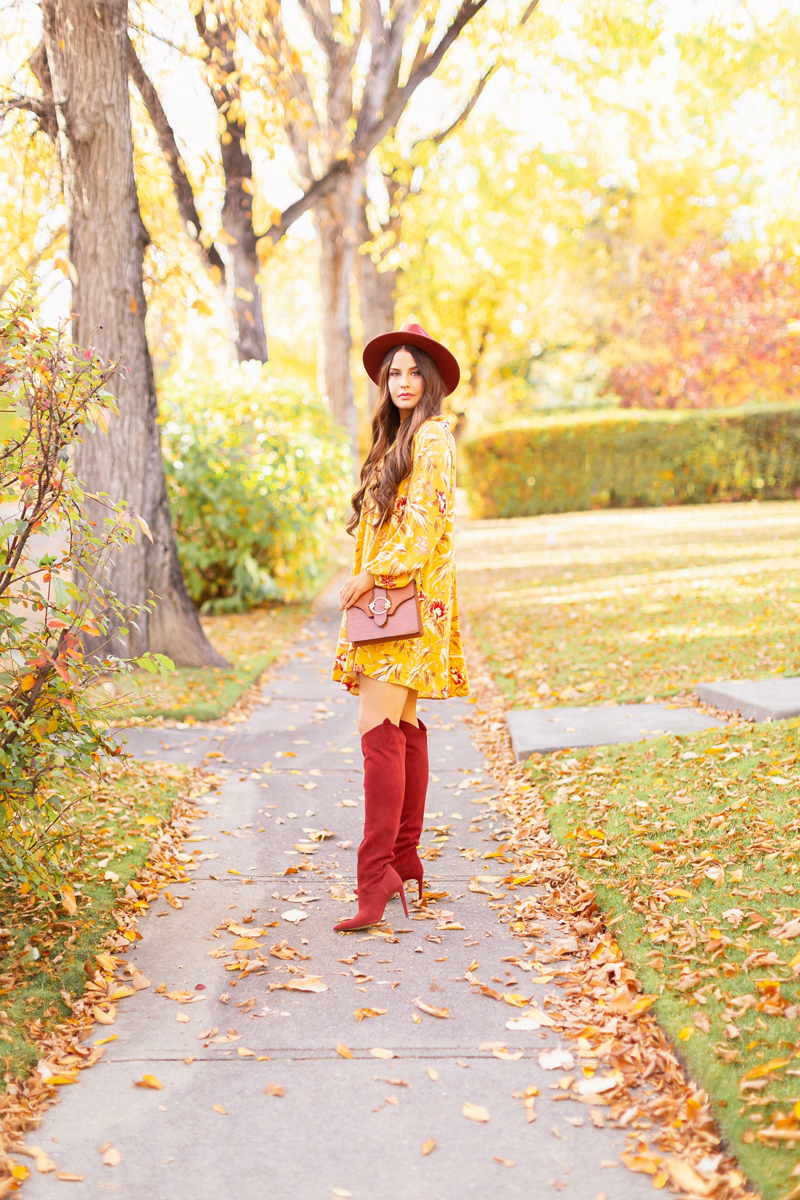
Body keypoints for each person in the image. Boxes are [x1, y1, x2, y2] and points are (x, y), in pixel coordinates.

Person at [331, 322, 470, 932]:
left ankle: (374, 877)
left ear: (432, 379)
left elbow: (419, 532)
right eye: (395, 373)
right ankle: (402, 858)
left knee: (376, 730)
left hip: (401, 602)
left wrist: (369, 577)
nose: (404, 382)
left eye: (415, 372)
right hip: (404, 603)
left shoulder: (434, 438)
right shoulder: (401, 438)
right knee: (403, 725)